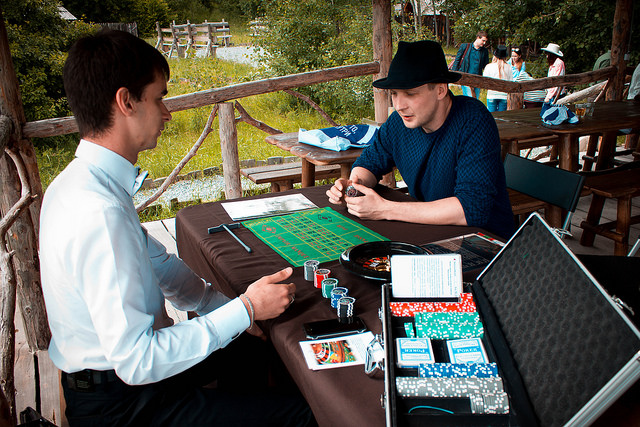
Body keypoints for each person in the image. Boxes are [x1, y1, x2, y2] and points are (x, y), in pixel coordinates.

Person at [39, 29, 314, 426]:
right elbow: (137, 360)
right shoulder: (98, 210)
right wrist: (247, 307)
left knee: (252, 343)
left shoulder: (81, 181)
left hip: (122, 382)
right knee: (306, 414)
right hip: (121, 403)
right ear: (125, 101)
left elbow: (161, 266)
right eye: (159, 97)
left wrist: (234, 313)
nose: (167, 113)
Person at [326, 40, 514, 240]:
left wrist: (384, 209)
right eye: (394, 94)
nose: (399, 105)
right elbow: (368, 163)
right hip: (433, 234)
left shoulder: (473, 121)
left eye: (410, 93)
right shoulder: (398, 123)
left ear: (440, 90)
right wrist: (354, 186)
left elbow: (472, 209)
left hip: (486, 241)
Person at [451, 31, 490, 99]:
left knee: (475, 99)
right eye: (483, 40)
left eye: (485, 41)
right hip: (466, 77)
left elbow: (486, 66)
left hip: (477, 79)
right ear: (478, 38)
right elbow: (457, 60)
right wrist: (454, 74)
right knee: (468, 97)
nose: (484, 43)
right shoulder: (465, 47)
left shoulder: (484, 51)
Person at [483, 45, 513, 112]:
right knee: (501, 116)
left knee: (492, 115)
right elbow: (511, 82)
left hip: (492, 94)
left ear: (495, 56)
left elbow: (485, 81)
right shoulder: (508, 67)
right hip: (504, 95)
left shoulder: (489, 67)